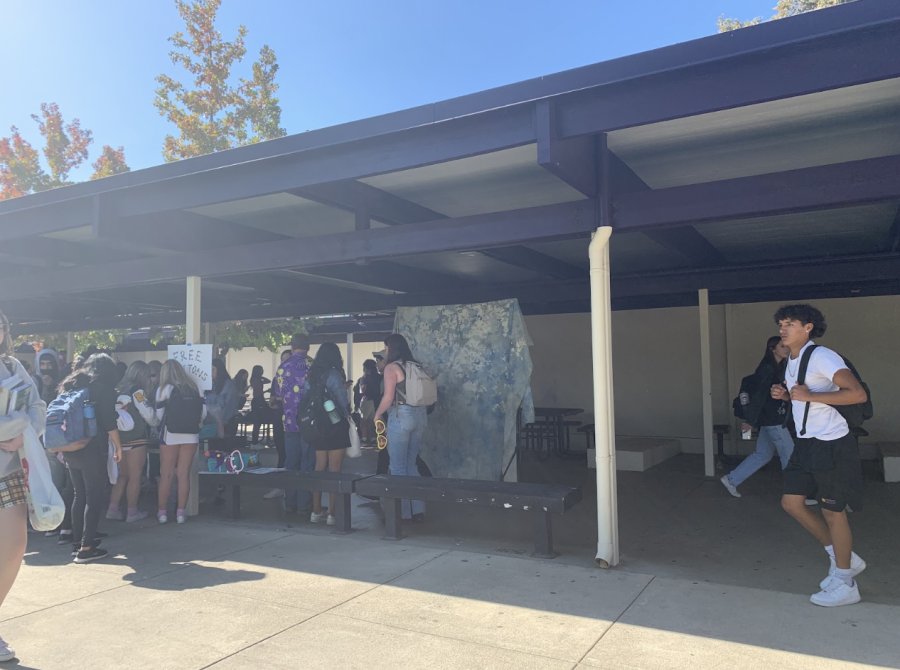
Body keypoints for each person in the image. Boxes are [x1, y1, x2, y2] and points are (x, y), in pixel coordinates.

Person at [770, 304, 868, 608]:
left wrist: (810, 395)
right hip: (806, 443)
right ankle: (843, 558)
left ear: (808, 327)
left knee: (833, 512)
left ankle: (845, 582)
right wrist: (788, 395)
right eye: (781, 324)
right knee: (792, 503)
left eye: (790, 323)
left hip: (832, 443)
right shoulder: (792, 359)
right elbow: (803, 395)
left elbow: (856, 393)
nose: (783, 329)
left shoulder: (823, 356)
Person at [0, 309, 47, 662]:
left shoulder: (14, 366)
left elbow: (39, 407)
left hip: (10, 470)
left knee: (15, 546)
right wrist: (17, 427)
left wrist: (22, 433)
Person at [58, 354, 123, 563]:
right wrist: (118, 446)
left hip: (70, 446)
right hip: (92, 448)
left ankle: (77, 543)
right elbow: (109, 420)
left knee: (79, 495)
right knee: (94, 495)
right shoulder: (102, 387)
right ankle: (86, 548)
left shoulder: (73, 383)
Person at [720, 336, 794, 497]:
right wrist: (750, 421)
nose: (786, 348)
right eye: (782, 346)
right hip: (773, 420)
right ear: (772, 349)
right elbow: (759, 397)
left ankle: (731, 479)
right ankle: (795, 495)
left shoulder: (778, 367)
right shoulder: (768, 369)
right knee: (789, 455)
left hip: (769, 419)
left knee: (763, 454)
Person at [374, 334, 427, 523]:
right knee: (411, 464)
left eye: (386, 347)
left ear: (391, 348)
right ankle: (418, 510)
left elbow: (388, 397)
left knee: (397, 466)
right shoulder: (417, 365)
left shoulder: (392, 367)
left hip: (401, 416)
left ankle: (402, 513)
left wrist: (378, 414)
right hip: (420, 416)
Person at [106, 361, 160, 523]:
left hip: (119, 438)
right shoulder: (137, 392)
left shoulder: (118, 390)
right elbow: (150, 416)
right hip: (136, 438)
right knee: (135, 476)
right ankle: (132, 512)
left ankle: (113, 508)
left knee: (122, 475)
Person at [155, 359, 207, 524]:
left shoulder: (164, 389)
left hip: (170, 434)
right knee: (184, 474)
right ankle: (180, 514)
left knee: (167, 474)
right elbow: (203, 413)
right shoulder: (196, 388)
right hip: (191, 435)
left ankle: (162, 513)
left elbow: (158, 417)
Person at [306, 342, 351, 526]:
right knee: (335, 471)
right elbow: (341, 400)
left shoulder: (313, 375)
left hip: (318, 426)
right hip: (334, 424)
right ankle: (333, 513)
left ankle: (316, 511)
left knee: (319, 467)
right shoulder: (333, 374)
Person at [270, 336, 314, 507]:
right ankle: (305, 503)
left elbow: (279, 395)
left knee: (291, 462)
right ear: (308, 347)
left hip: (289, 420)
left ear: (292, 346)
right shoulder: (313, 366)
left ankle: (290, 502)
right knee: (307, 462)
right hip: (309, 423)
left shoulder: (282, 367)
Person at [208, 359, 239, 437]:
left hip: (226, 422)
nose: (210, 372)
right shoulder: (209, 385)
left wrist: (221, 421)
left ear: (219, 370)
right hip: (211, 423)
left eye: (212, 370)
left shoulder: (229, 385)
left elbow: (230, 405)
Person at [354, 359, 382, 446]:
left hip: (366, 401)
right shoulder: (380, 377)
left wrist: (357, 404)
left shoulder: (364, 378)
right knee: (372, 421)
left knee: (363, 421)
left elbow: (362, 390)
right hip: (377, 401)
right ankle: (373, 438)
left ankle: (364, 439)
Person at [249, 365, 271, 446]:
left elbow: (268, 381)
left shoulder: (258, 379)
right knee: (257, 422)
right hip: (258, 401)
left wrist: (261, 377)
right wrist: (266, 391)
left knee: (258, 422)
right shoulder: (256, 381)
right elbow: (258, 393)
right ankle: (254, 441)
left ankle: (255, 441)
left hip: (259, 400)